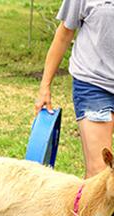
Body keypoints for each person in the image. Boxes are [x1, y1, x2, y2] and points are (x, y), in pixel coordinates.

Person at [35, 0, 114, 179]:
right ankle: (89, 206)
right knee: (100, 174)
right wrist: (45, 85)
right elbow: (64, 34)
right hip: (94, 84)